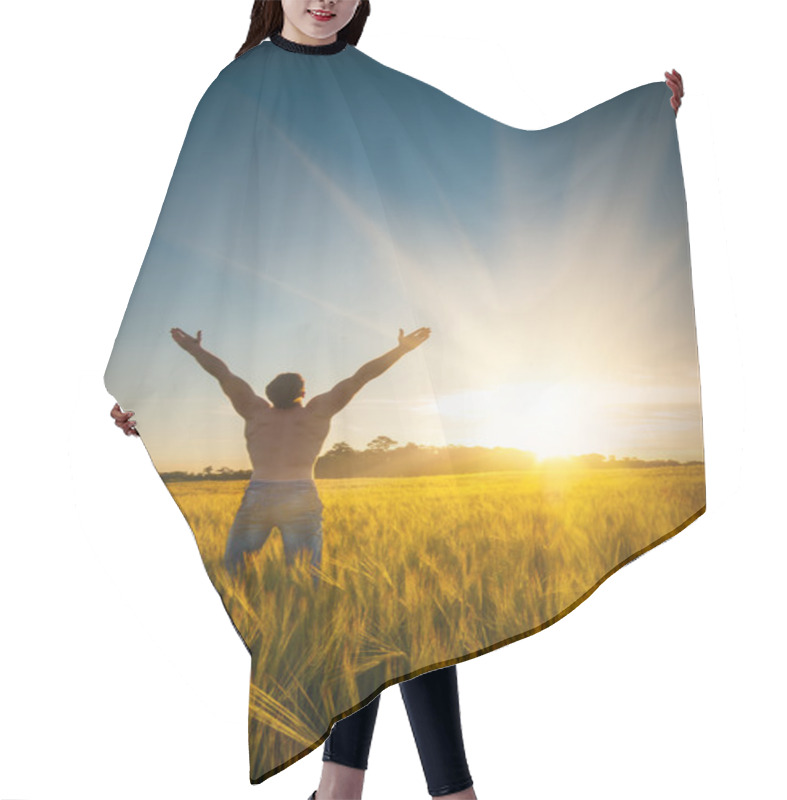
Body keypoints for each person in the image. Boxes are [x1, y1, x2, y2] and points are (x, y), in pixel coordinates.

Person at [110, 2, 685, 798]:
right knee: (372, 612)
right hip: (294, 344)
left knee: (391, 611)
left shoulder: (374, 87)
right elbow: (188, 233)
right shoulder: (237, 92)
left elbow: (493, 164)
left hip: (350, 351)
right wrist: (140, 377)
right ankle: (418, 790)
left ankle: (353, 789)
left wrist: (633, 133)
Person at [166, 324, 430, 588]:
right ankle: (298, 619)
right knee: (303, 579)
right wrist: (401, 350)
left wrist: (193, 348)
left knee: (235, 573)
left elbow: (222, 374)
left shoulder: (255, 411)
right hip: (301, 495)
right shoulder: (316, 413)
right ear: (303, 394)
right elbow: (360, 377)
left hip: (258, 494)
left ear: (268, 393)